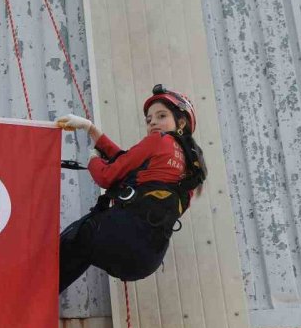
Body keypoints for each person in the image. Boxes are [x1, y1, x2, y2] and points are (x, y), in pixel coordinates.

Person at [55, 85, 207, 293]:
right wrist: (91, 129)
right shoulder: (193, 169)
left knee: (74, 240)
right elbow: (128, 160)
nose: (153, 121)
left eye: (161, 115)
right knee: (81, 250)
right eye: (149, 119)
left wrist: (92, 160)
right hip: (145, 261)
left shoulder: (159, 141)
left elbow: (106, 176)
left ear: (181, 122)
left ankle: (30, 296)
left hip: (123, 236)